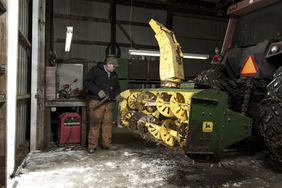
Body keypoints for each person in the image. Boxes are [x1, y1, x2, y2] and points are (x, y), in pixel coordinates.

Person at [84, 55, 120, 153]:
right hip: (96, 102)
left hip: (108, 103)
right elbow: (87, 82)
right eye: (114, 66)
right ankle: (92, 146)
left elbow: (117, 86)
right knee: (95, 124)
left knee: (108, 124)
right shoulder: (95, 70)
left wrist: (117, 94)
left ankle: (106, 144)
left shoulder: (114, 74)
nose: (115, 68)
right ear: (108, 64)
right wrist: (97, 91)